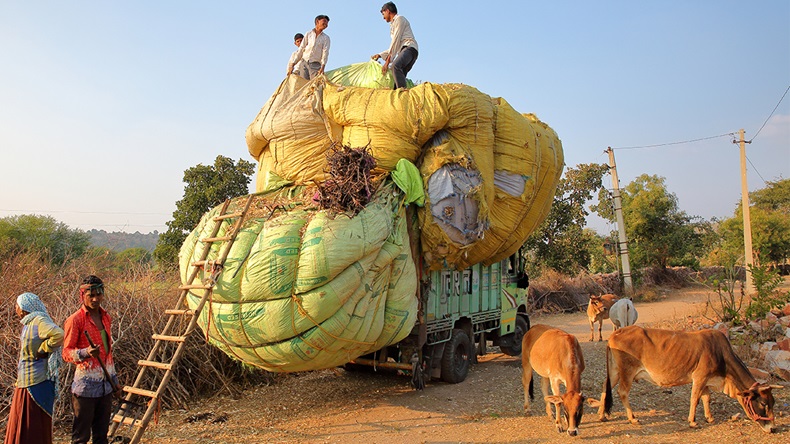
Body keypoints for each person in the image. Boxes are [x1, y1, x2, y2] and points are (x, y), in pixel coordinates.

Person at [63, 275, 121, 444]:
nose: (96, 299)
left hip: (106, 386)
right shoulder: (75, 320)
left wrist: (114, 382)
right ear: (83, 296)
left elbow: (108, 355)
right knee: (81, 437)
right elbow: (66, 353)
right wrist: (85, 353)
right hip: (86, 387)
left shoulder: (106, 318)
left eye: (99, 294)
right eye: (91, 296)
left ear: (103, 294)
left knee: (101, 435)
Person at [4, 292, 64, 444]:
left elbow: (59, 334)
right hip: (25, 380)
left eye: (17, 305)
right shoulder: (29, 323)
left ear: (24, 307)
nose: (16, 309)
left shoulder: (39, 320)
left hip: (37, 382)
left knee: (33, 424)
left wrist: (44, 348)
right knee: (21, 422)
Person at [371, 2, 419, 89]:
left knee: (395, 66)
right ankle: (399, 96)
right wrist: (380, 55)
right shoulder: (393, 25)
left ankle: (402, 95)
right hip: (405, 50)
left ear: (387, 11)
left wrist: (387, 62)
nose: (383, 17)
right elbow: (393, 46)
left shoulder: (399, 19)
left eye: (383, 14)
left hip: (409, 48)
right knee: (396, 82)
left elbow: (395, 42)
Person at [288, 15, 330, 80]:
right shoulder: (308, 34)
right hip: (304, 63)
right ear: (317, 21)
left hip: (315, 65)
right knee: (304, 86)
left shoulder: (326, 38)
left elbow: (325, 52)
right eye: (324, 21)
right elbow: (301, 49)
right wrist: (293, 64)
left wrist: (322, 67)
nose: (326, 24)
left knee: (315, 85)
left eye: (327, 23)